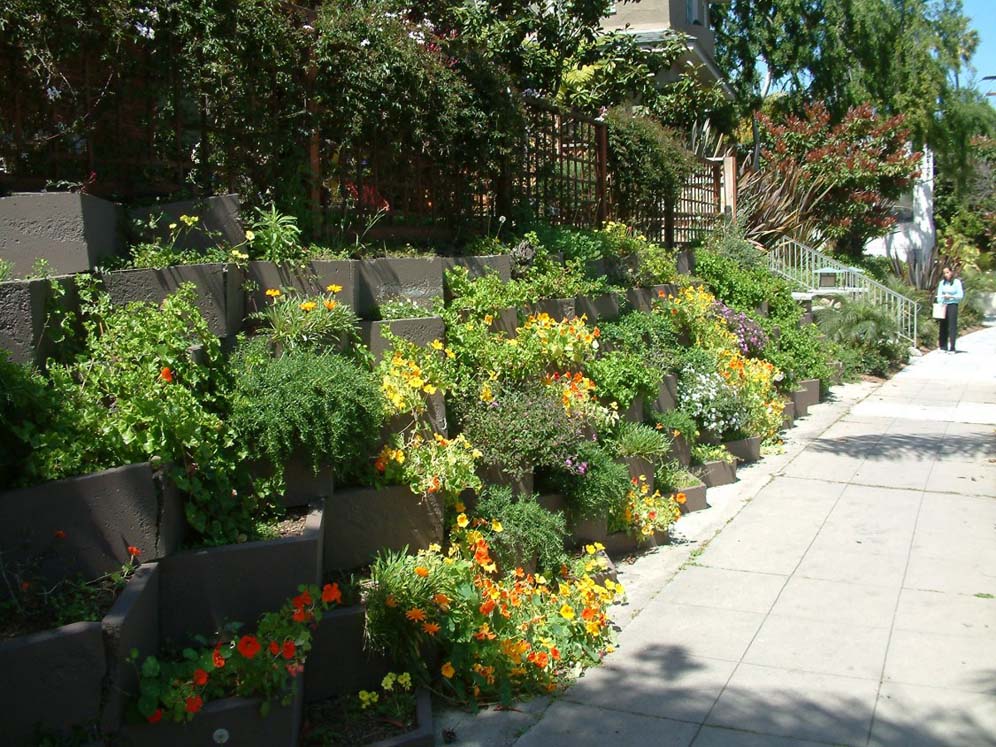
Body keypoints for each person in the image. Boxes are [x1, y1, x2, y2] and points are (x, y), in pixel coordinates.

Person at [936, 266, 964, 353]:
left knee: (952, 325)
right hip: (944, 304)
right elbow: (939, 294)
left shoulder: (956, 282)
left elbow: (960, 295)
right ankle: (943, 346)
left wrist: (951, 296)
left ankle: (952, 347)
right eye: (944, 273)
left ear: (951, 272)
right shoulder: (942, 283)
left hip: (952, 304)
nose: (946, 275)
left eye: (947, 272)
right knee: (943, 325)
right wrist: (941, 301)